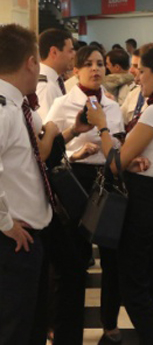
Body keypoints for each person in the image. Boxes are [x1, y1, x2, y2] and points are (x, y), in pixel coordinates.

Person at [86, 45, 153, 344]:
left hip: (141, 201)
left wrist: (102, 129)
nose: (137, 78)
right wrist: (128, 159)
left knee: (134, 285)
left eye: (142, 71)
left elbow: (115, 164)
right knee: (145, 282)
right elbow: (132, 157)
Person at [45, 45, 126, 344]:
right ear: (76, 69)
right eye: (88, 64)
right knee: (72, 259)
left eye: (100, 64)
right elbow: (50, 149)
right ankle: (62, 325)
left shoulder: (113, 106)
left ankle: (110, 322)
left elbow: (118, 145)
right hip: (74, 178)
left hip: (106, 179)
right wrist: (75, 151)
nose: (96, 69)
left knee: (112, 256)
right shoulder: (64, 104)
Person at [0, 23, 54, 345]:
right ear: (31, 62)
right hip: (14, 241)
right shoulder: (4, 110)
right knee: (14, 329)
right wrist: (4, 223)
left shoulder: (18, 105)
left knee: (30, 325)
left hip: (29, 236)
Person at [36, 28, 75, 119]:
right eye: (70, 51)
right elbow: (47, 128)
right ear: (54, 52)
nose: (73, 55)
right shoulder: (45, 87)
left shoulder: (54, 81)